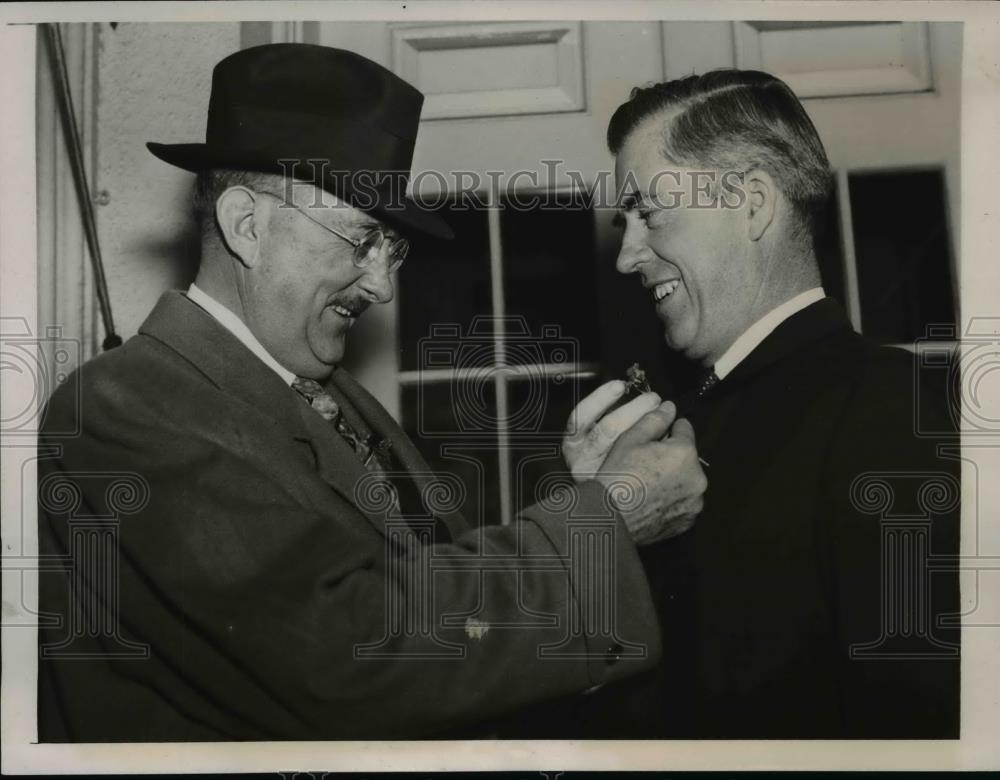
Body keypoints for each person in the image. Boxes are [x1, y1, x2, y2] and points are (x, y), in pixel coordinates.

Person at [36, 44, 707, 741]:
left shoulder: (321, 390)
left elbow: (418, 599)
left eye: (393, 249)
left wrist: (588, 499)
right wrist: (606, 520)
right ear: (247, 225)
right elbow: (341, 648)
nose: (383, 287)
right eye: (361, 241)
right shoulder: (125, 406)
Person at [508, 69, 960, 739]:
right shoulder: (677, 417)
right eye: (625, 222)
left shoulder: (887, 408)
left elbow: (919, 722)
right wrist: (604, 520)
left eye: (649, 213)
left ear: (752, 204)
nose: (627, 256)